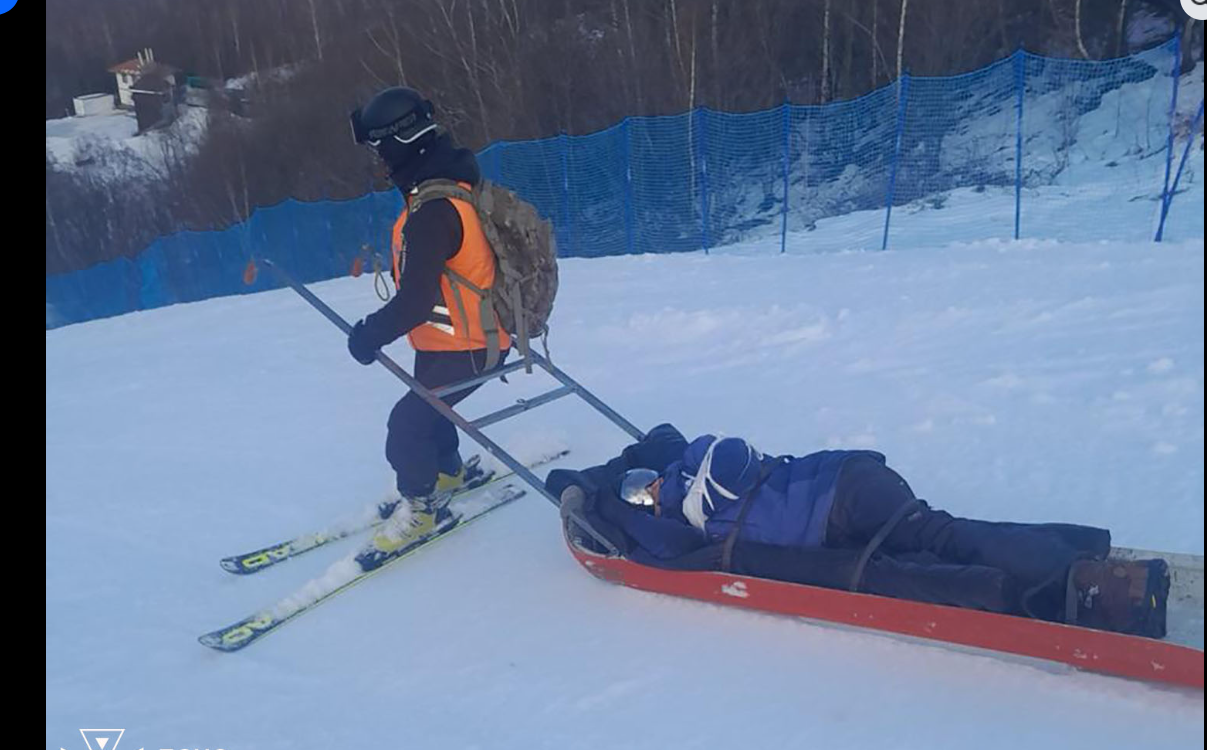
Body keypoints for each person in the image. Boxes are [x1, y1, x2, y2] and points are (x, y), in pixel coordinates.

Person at [548, 424, 1170, 638]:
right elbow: (668, 438)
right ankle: (1076, 556)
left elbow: (654, 551)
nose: (648, 499)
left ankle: (1075, 586)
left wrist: (596, 500)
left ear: (654, 486)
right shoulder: (707, 455)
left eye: (646, 490)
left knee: (922, 559)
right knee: (940, 533)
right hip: (850, 478)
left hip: (838, 512)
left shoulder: (688, 510)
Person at [346, 87, 509, 549]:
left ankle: (421, 510)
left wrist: (368, 336)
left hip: (474, 345)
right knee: (431, 411)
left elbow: (415, 302)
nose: (378, 159)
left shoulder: (434, 212)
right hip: (453, 340)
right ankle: (446, 473)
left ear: (398, 143)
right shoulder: (448, 191)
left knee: (407, 426)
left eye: (378, 148)